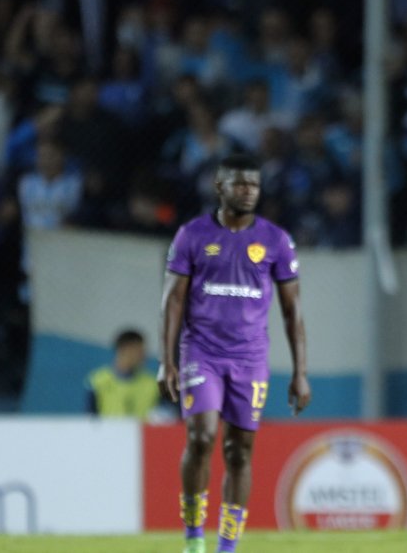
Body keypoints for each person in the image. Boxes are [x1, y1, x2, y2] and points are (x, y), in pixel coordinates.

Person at [159, 154, 311, 553]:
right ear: (219, 187)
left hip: (250, 359)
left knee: (239, 451)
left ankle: (227, 547)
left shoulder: (275, 240)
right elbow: (173, 301)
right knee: (202, 436)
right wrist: (167, 359)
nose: (248, 191)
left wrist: (300, 372)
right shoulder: (192, 235)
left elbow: (293, 311)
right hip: (201, 352)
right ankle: (194, 539)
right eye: (240, 183)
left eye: (254, 185)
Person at [86, 328, 160, 419]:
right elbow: (90, 418)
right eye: (139, 350)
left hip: (141, 433)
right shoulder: (98, 381)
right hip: (109, 433)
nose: (144, 355)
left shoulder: (153, 383)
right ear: (124, 349)